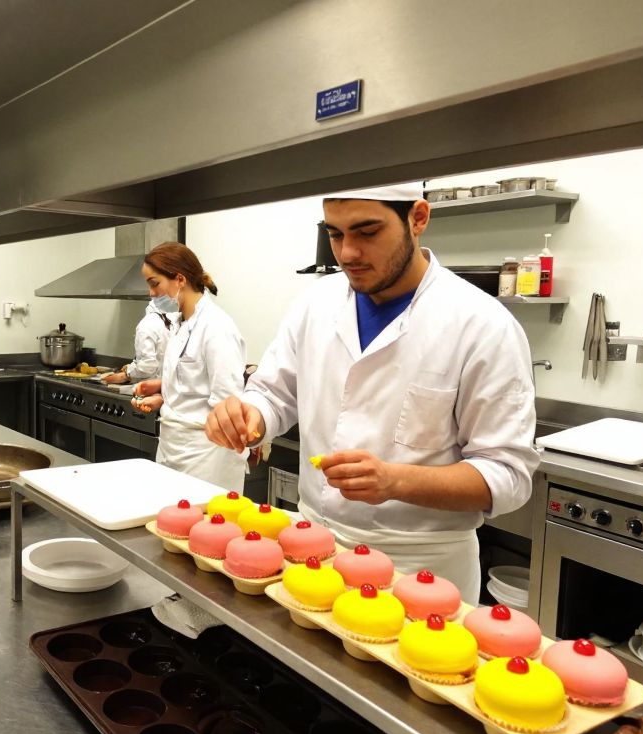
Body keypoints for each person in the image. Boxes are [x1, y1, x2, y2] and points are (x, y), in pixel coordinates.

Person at [204, 183, 539, 599]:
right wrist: (250, 415)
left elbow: (507, 475)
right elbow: (274, 395)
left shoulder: (482, 325)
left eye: (367, 232)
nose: (347, 253)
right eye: (335, 234)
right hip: (312, 550)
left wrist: (396, 481)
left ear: (418, 219)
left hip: (418, 571)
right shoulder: (315, 305)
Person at [131, 243, 247, 492]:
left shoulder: (216, 328)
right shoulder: (178, 323)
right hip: (173, 447)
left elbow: (227, 402)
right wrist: (164, 395)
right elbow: (194, 385)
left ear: (179, 279)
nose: (151, 293)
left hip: (206, 456)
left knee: (203, 527)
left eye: (154, 283)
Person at [102, 300, 176, 385]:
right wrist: (130, 367)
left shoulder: (147, 324)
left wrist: (126, 374)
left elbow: (147, 366)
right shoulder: (170, 325)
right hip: (163, 386)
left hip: (147, 388)